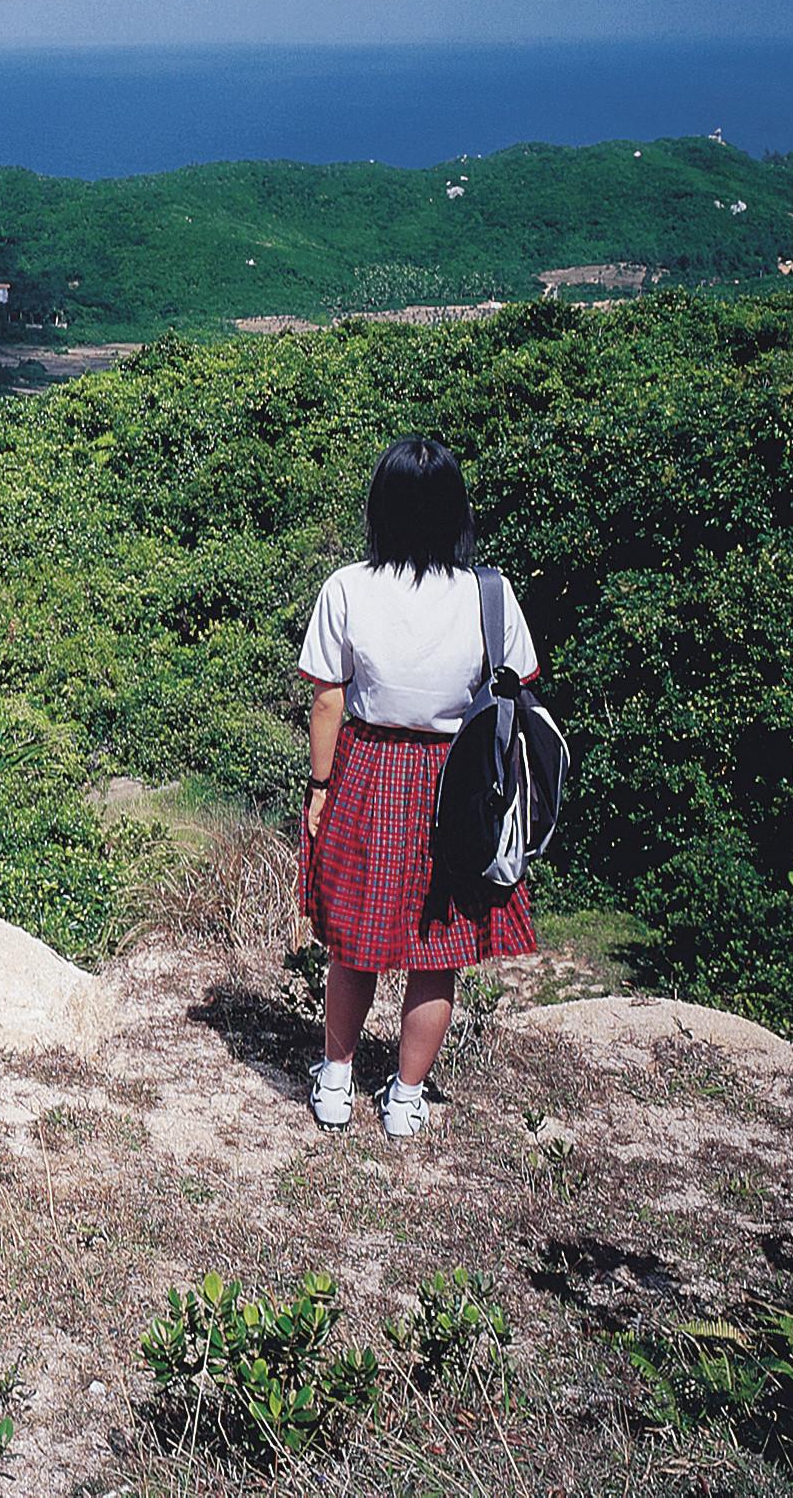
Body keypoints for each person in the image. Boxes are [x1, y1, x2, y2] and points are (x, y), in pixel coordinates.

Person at [296, 435, 541, 1140]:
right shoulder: (487, 593)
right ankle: (404, 1099)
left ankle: (336, 1084)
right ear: (457, 511)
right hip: (456, 779)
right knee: (438, 951)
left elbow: (327, 701)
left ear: (380, 507)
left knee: (355, 938)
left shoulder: (348, 586)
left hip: (368, 767)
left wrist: (319, 785)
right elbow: (516, 685)